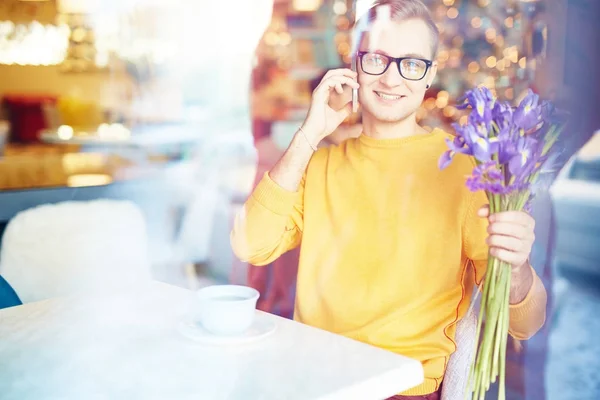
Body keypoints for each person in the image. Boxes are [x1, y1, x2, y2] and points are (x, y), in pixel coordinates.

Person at [230, 0, 547, 398]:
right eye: (377, 59)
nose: (392, 79)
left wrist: (517, 266)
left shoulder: (467, 171)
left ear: (429, 74)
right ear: (355, 65)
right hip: (313, 379)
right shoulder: (320, 163)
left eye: (411, 64)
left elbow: (526, 324)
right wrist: (309, 134)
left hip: (399, 390)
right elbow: (249, 245)